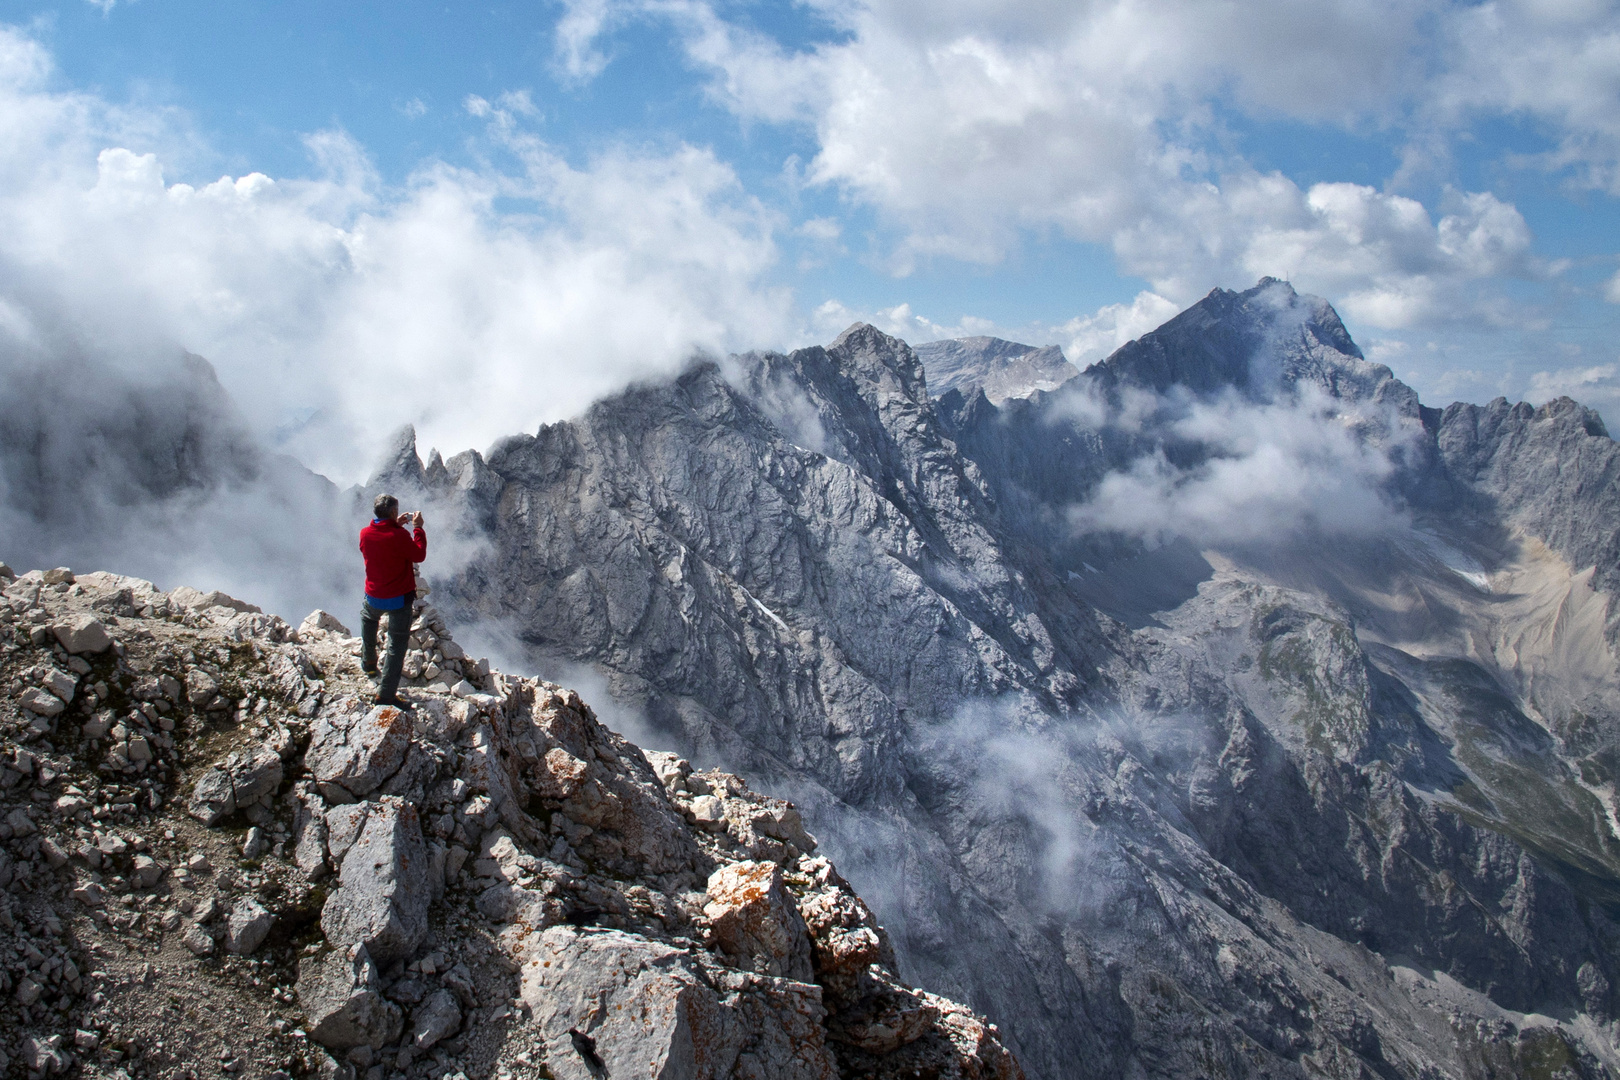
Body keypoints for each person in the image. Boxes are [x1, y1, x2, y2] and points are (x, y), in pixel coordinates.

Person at [359, 493, 427, 707]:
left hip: (373, 594)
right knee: (396, 645)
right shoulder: (398, 537)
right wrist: (417, 528)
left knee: (368, 619)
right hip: (398, 598)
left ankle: (368, 661)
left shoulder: (365, 533)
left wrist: (394, 525)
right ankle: (386, 694)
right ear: (393, 512)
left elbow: (381, 544)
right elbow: (418, 555)